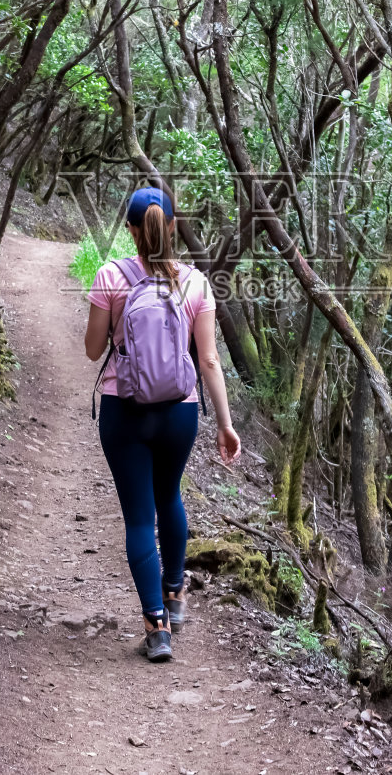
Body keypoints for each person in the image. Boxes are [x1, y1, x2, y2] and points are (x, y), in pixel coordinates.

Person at [83, 187, 241, 662]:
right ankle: (176, 594)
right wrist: (226, 425)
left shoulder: (112, 275)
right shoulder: (195, 283)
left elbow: (93, 350)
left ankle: (156, 628)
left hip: (123, 409)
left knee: (137, 518)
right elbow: (209, 359)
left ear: (132, 230)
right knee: (169, 495)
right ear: (171, 227)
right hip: (180, 410)